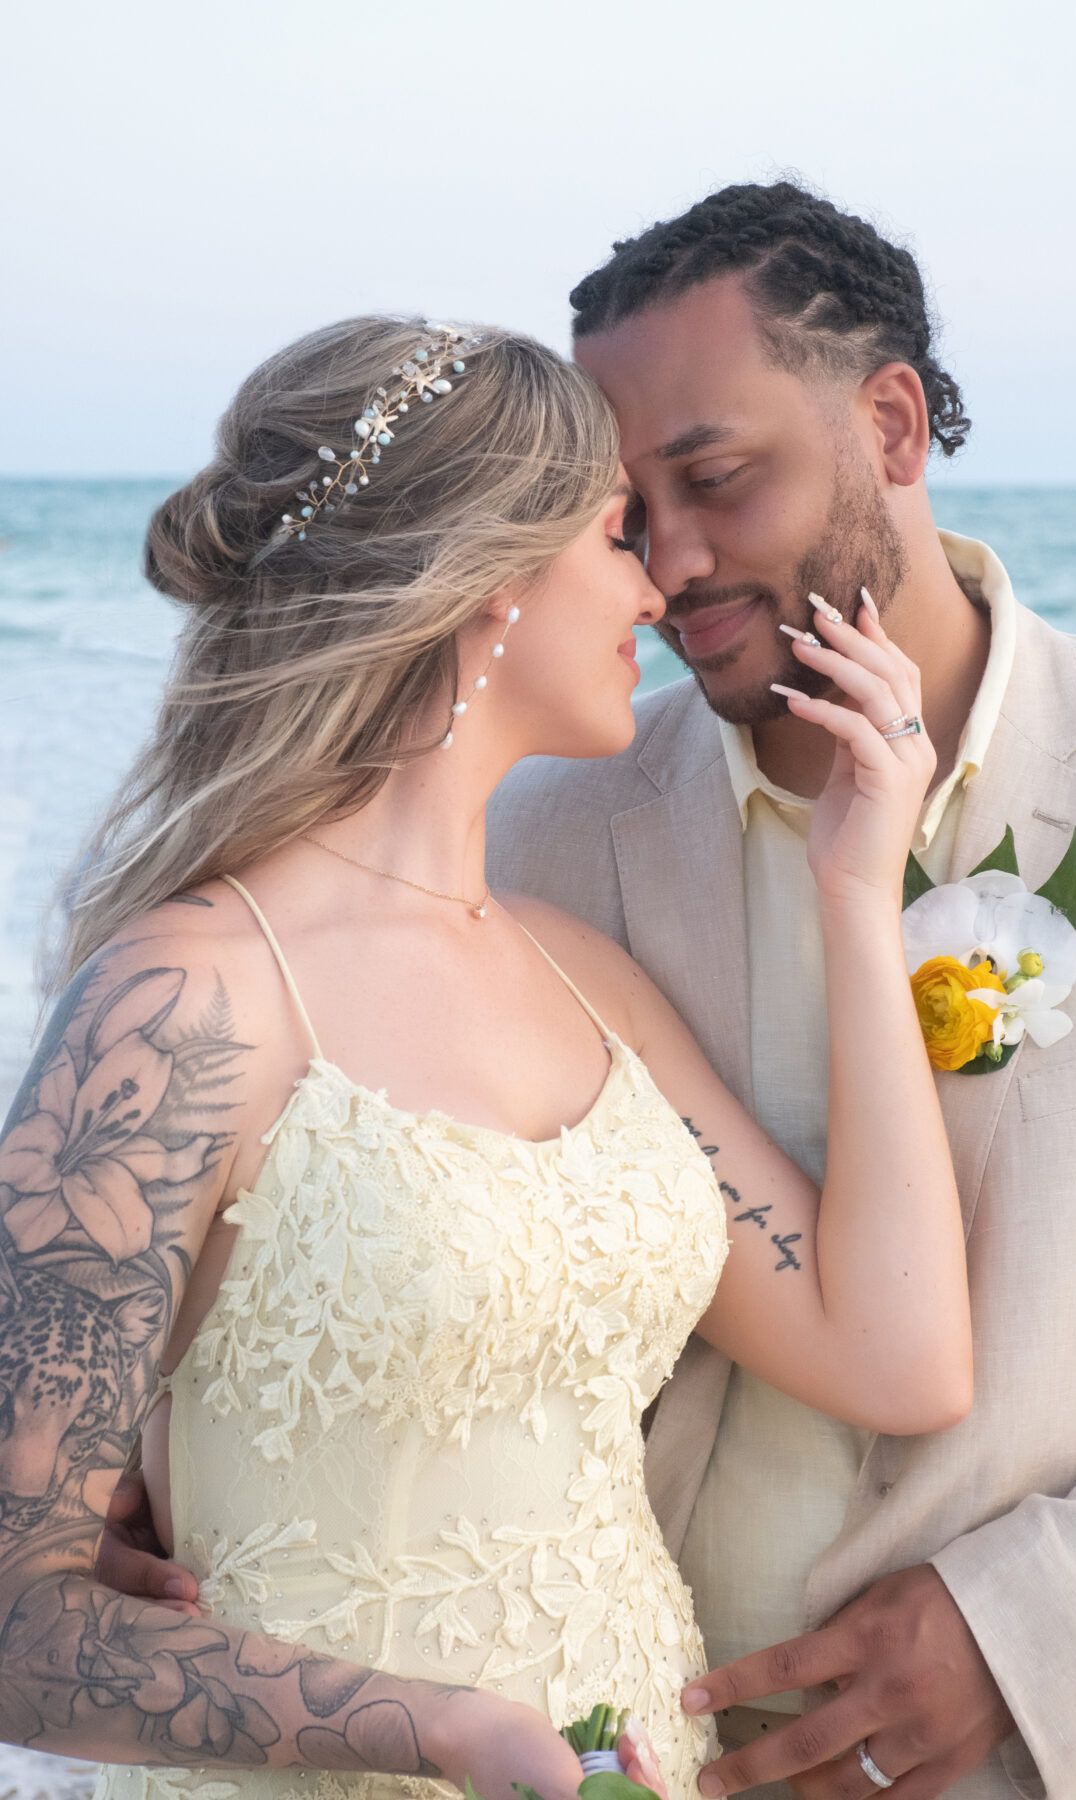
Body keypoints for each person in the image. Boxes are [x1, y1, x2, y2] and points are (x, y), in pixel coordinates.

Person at [0, 315, 970, 1800]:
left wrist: (857, 892)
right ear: (485, 580)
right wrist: (440, 1731)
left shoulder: (583, 981)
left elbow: (897, 1355)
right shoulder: (179, 1003)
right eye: (611, 536)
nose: (655, 588)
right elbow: (20, 1624)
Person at [481, 183, 1076, 1800]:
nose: (669, 565)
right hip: (635, 1757)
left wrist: (1034, 1630)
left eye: (715, 481)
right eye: (621, 516)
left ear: (889, 423)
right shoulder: (543, 833)